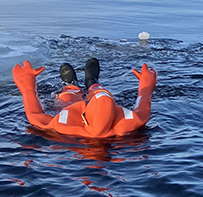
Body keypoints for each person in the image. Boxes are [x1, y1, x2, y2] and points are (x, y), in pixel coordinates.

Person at [12, 57, 157, 138]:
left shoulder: (65, 126)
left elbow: (34, 115)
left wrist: (27, 86)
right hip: (104, 115)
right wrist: (147, 84)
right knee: (101, 93)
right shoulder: (127, 123)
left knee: (67, 98)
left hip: (75, 114)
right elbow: (142, 108)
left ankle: (71, 85)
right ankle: (92, 83)